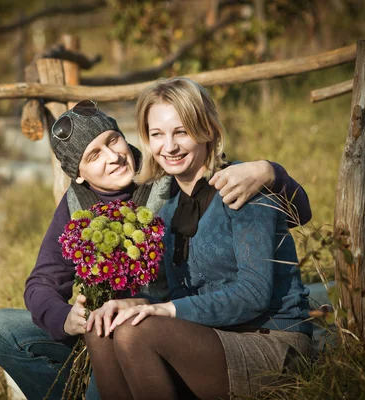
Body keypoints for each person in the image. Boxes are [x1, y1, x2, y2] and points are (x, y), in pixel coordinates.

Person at [0, 100, 312, 400]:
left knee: (119, 336)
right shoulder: (76, 204)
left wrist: (270, 171)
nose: (112, 157)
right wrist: (65, 318)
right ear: (78, 176)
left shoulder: (166, 176)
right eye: (94, 155)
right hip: (114, 327)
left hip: (161, 328)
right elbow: (41, 281)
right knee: (1, 327)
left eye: (112, 141)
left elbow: (276, 215)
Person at [83, 78, 314, 400]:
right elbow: (185, 297)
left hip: (271, 343)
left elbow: (254, 293)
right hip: (212, 338)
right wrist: (140, 304)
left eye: (181, 131)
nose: (169, 147)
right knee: (103, 328)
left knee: (136, 333)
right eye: (157, 134)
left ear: (207, 130)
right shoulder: (168, 210)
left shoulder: (242, 188)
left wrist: (164, 311)